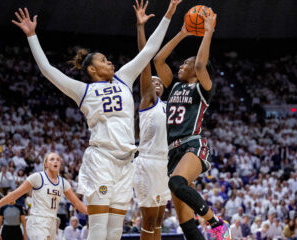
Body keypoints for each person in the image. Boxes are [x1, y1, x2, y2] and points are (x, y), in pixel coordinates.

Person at [10, 2, 181, 239]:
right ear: (92, 69)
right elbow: (48, 70)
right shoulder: (83, 91)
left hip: (126, 164)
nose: (110, 62)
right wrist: (32, 36)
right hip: (101, 160)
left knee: (115, 232)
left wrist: (169, 14)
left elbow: (149, 50)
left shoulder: (123, 78)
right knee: (99, 230)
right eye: (104, 60)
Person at [153, 8, 230, 240]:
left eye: (185, 64)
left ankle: (218, 224)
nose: (181, 67)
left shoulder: (202, 87)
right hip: (173, 151)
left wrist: (208, 32)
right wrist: (182, 33)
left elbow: (199, 66)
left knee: (176, 182)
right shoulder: (175, 86)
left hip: (192, 145)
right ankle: (209, 227)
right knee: (186, 223)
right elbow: (158, 59)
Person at [0, 152, 87, 240]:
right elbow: (14, 195)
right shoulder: (37, 177)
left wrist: (98, 211)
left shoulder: (63, 183)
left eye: (58, 159)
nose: (55, 161)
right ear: (46, 164)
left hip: (52, 221)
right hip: (37, 220)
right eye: (52, 159)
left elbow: (77, 203)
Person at [132, 1, 171, 240]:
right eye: (151, 81)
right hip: (147, 163)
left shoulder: (169, 106)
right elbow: (145, 60)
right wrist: (140, 28)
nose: (155, 83)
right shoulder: (148, 100)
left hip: (165, 164)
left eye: (159, 82)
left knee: (158, 220)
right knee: (148, 220)